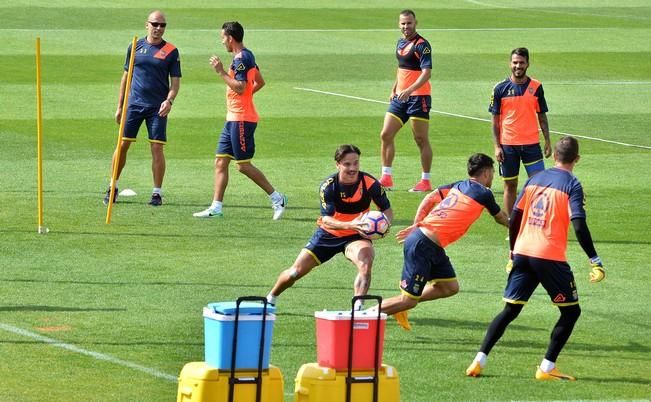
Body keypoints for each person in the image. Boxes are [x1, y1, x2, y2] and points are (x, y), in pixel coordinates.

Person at [466, 136, 606, 381]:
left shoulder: (534, 179)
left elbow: (514, 219)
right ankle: (547, 368)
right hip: (549, 256)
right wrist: (594, 259)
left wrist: (512, 251)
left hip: (523, 252)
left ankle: (478, 361)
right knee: (571, 312)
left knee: (509, 310)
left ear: (554, 157)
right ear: (577, 159)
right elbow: (579, 224)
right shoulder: (572, 184)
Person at [371, 153, 508, 330]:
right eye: (493, 174)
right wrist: (517, 226)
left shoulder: (459, 185)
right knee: (408, 301)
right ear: (487, 173)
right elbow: (500, 218)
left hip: (430, 244)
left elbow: (430, 197)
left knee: (449, 287)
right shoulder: (484, 193)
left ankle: (401, 304)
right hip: (423, 245)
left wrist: (416, 224)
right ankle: (362, 316)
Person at [266, 145, 393, 311]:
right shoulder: (328, 186)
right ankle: (271, 298)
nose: (353, 168)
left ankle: (358, 308)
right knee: (294, 272)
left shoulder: (370, 183)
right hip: (328, 233)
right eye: (347, 164)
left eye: (356, 163)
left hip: (357, 235)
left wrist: (385, 225)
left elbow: (387, 210)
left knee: (365, 263)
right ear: (338, 164)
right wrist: (350, 224)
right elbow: (326, 219)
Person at [193, 21, 286, 220]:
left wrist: (220, 72)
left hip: (242, 120)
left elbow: (242, 87)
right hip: (233, 118)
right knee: (220, 162)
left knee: (243, 165)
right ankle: (216, 206)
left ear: (230, 38)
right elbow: (259, 82)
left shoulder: (241, 59)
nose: (222, 42)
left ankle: (277, 198)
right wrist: (245, 98)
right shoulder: (245, 55)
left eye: (223, 38)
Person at [104, 10, 181, 207]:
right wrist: (120, 106)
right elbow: (125, 78)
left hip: (157, 108)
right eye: (155, 24)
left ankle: (157, 193)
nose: (158, 28)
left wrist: (169, 101)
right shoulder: (135, 46)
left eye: (162, 25)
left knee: (156, 147)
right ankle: (112, 187)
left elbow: (175, 83)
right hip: (134, 105)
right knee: (122, 145)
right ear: (146, 24)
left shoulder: (172, 51)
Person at [491, 47, 551, 217]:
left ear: (528, 64)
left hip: (532, 144)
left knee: (539, 184)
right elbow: (495, 121)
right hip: (508, 146)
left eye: (521, 63)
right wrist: (497, 146)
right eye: (515, 62)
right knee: (510, 185)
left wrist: (547, 141)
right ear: (510, 63)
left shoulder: (536, 87)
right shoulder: (499, 88)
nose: (518, 66)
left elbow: (542, 115)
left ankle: (536, 221)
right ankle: (512, 226)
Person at [378, 9, 434, 193]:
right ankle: (386, 177)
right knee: (386, 134)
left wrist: (409, 90)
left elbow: (426, 73)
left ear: (415, 23)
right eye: (403, 23)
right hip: (400, 97)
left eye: (409, 23)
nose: (406, 26)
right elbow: (402, 68)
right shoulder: (400, 42)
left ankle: (425, 181)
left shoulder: (422, 45)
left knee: (420, 139)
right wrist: (395, 87)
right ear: (398, 24)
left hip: (419, 98)